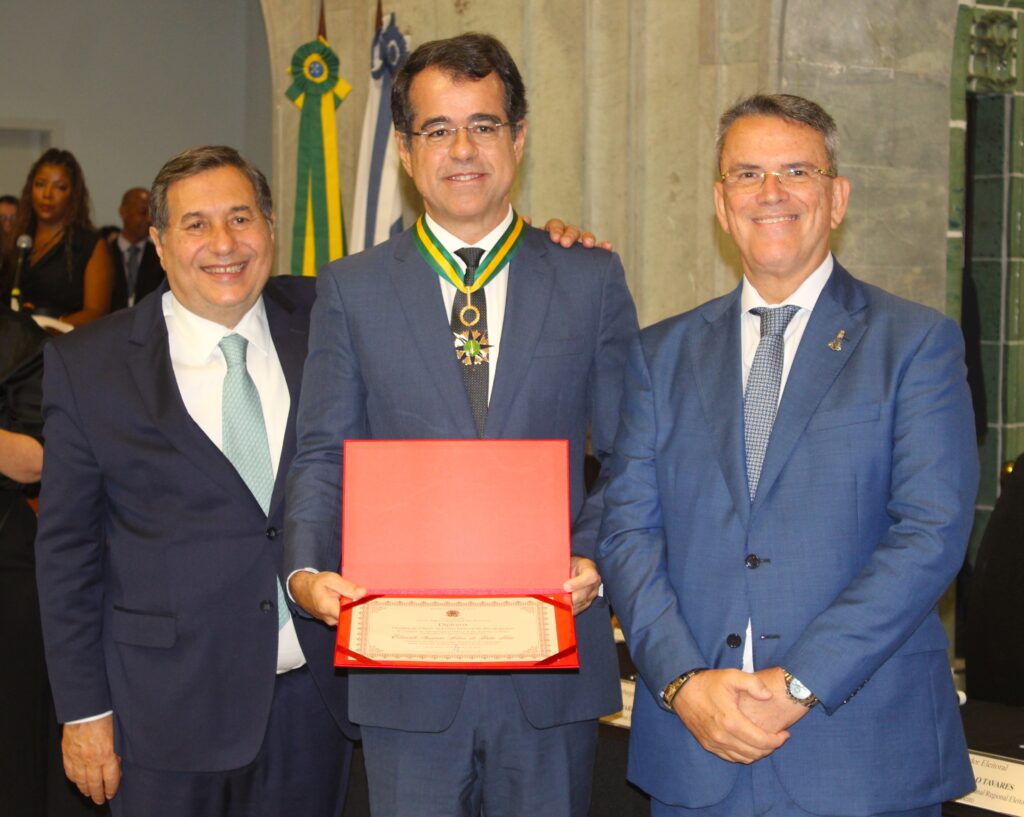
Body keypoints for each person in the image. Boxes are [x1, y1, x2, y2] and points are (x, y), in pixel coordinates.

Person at [285, 32, 638, 817]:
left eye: (483, 124)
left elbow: (630, 454)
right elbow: (323, 452)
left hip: (550, 661)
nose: (463, 149)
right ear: (405, 150)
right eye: (438, 129)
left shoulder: (589, 279)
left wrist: (596, 555)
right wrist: (305, 569)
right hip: (405, 670)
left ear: (518, 137)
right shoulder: (351, 289)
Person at [596, 93, 978, 817]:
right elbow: (627, 534)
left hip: (859, 752)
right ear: (721, 203)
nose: (770, 192)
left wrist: (800, 680)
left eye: (797, 171)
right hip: (696, 750)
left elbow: (930, 534)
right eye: (747, 174)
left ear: (837, 197)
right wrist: (682, 682)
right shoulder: (658, 355)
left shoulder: (915, 344)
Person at [34, 146, 357, 817]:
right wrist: (84, 711)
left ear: (270, 225)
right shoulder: (88, 365)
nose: (224, 244)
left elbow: (442, 298)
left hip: (316, 709)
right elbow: (68, 552)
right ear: (158, 242)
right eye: (196, 225)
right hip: (162, 718)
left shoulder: (331, 316)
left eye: (240, 218)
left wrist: (552, 247)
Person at [8, 148, 113, 327]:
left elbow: (96, 313)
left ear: (74, 194)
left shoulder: (90, 245)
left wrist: (50, 327)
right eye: (40, 184)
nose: (47, 194)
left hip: (63, 340)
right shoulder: (17, 240)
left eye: (60, 187)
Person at [109, 187, 165, 310]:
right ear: (123, 212)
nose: (149, 219)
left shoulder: (161, 255)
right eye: (142, 212)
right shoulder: (105, 254)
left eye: (152, 215)